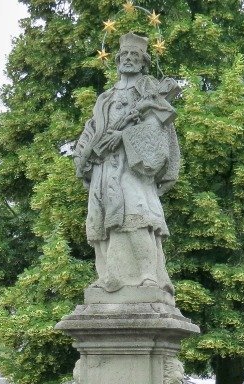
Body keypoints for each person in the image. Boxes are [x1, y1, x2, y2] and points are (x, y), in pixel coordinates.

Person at [73, 32, 181, 295]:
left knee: (138, 217)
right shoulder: (105, 97)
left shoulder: (149, 91)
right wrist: (85, 154)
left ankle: (148, 276)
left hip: (132, 165)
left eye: (135, 56)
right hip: (103, 165)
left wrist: (124, 136)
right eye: (125, 56)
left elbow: (159, 127)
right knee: (102, 224)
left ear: (143, 62)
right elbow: (92, 128)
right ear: (118, 61)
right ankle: (108, 277)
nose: (129, 60)